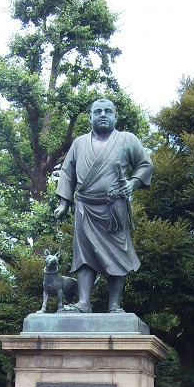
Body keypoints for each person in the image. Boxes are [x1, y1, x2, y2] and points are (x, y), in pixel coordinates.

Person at [54, 98, 153, 313]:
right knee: (84, 255)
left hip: (113, 207)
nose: (102, 115)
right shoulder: (79, 143)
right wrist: (64, 203)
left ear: (115, 117)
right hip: (84, 206)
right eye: (97, 111)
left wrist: (132, 183)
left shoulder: (127, 140)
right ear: (90, 117)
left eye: (108, 111)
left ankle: (114, 306)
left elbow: (145, 165)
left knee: (118, 253)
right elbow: (67, 172)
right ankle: (83, 303)